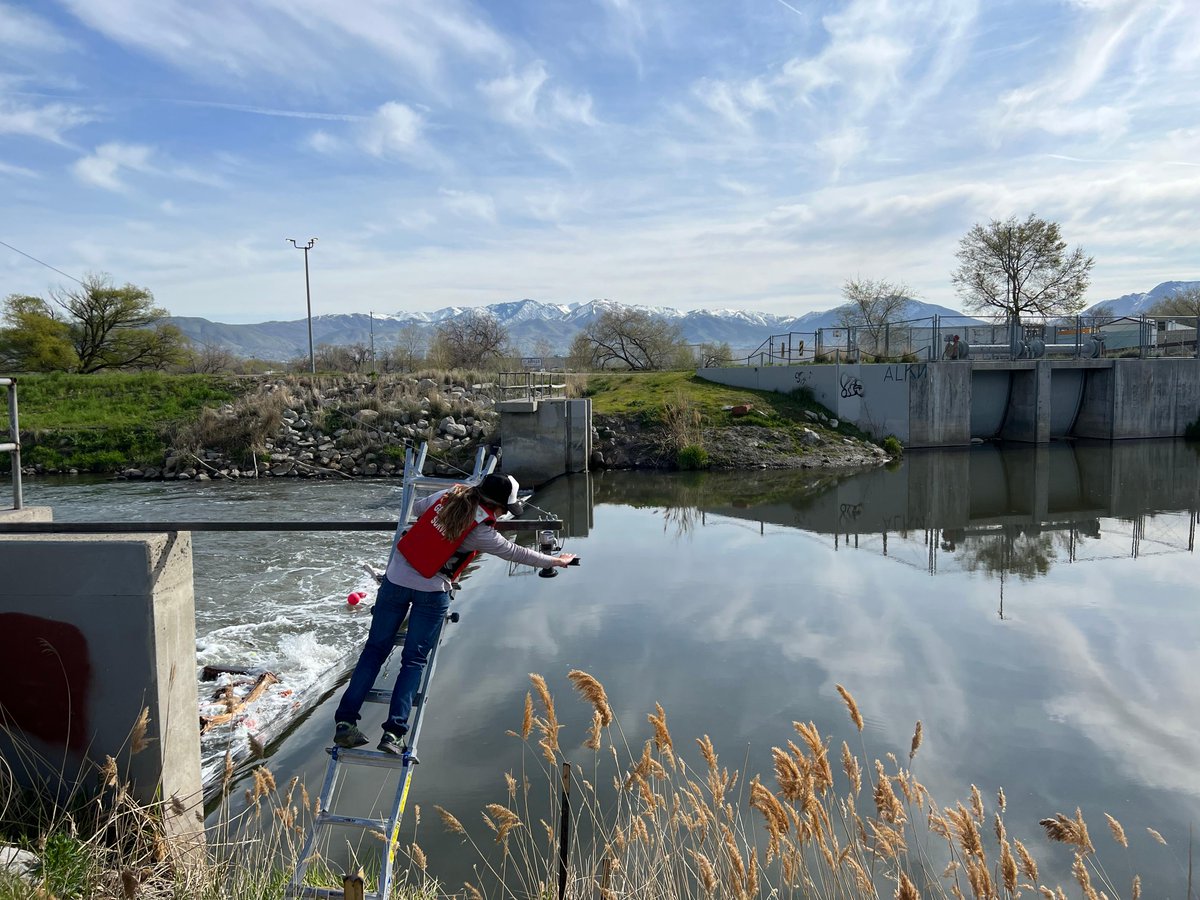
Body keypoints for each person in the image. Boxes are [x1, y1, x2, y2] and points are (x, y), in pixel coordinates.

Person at [332, 473, 576, 754]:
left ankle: (345, 724)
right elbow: (516, 553)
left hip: (395, 581)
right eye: (505, 509)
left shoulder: (448, 495)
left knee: (374, 651)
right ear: (496, 506)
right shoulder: (481, 532)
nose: (503, 514)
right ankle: (393, 734)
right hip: (431, 591)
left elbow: (417, 508)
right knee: (413, 661)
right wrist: (557, 560)